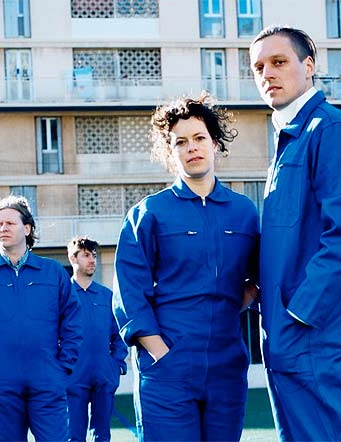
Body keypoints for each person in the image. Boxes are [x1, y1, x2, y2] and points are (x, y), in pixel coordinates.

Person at [249, 26, 341, 441]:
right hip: (284, 333)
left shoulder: (330, 129)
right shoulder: (289, 139)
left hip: (315, 331)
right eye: (258, 67)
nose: (267, 73)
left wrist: (301, 312)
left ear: (309, 66)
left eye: (278, 62)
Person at [113, 93, 259, 441]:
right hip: (168, 369)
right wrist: (161, 353)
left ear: (215, 143)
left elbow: (257, 278)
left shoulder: (244, 212)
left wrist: (236, 303)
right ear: (170, 151)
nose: (191, 147)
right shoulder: (149, 213)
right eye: (180, 142)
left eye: (199, 138)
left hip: (227, 367)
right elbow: (129, 292)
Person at [0, 195, 83, 441]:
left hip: (47, 380)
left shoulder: (52, 272)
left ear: (27, 228)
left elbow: (73, 321)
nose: (3, 228)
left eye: (9, 223)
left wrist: (63, 365)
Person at [66, 236, 128, 442]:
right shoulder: (62, 296)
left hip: (104, 374)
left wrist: (116, 364)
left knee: (102, 435)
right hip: (73, 375)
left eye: (94, 255)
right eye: (86, 255)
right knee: (73, 436)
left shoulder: (107, 296)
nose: (92, 260)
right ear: (73, 259)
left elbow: (119, 334)